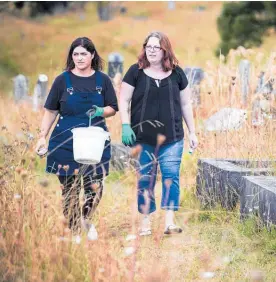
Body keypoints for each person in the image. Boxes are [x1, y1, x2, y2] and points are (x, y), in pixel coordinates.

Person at [35, 37, 118, 241]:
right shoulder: (62, 80)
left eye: (83, 54)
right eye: (75, 54)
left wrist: (101, 110)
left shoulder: (103, 80)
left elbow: (113, 108)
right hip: (65, 142)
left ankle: (85, 219)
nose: (79, 58)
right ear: (71, 56)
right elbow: (50, 111)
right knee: (70, 189)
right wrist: (41, 137)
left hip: (95, 142)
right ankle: (73, 230)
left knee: (95, 186)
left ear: (92, 55)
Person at [119, 31, 198, 236]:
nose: (152, 50)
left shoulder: (178, 74)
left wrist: (193, 132)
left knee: (171, 177)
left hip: (173, 138)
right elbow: (123, 100)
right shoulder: (134, 72)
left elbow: (186, 104)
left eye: (157, 47)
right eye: (148, 46)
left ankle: (169, 223)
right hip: (142, 139)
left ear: (165, 50)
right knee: (146, 178)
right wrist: (125, 125)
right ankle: (145, 224)